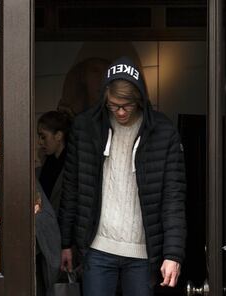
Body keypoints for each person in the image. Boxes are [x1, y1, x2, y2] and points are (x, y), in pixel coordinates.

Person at [59, 57, 187, 296]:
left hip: (142, 254)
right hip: (97, 249)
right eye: (113, 106)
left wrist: (173, 254)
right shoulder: (85, 127)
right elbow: (73, 188)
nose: (119, 112)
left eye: (126, 106)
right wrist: (65, 243)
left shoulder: (162, 131)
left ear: (139, 100)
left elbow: (173, 198)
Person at [37, 111, 71, 215]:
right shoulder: (47, 161)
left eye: (43, 137)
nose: (40, 142)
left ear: (58, 136)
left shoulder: (71, 165)